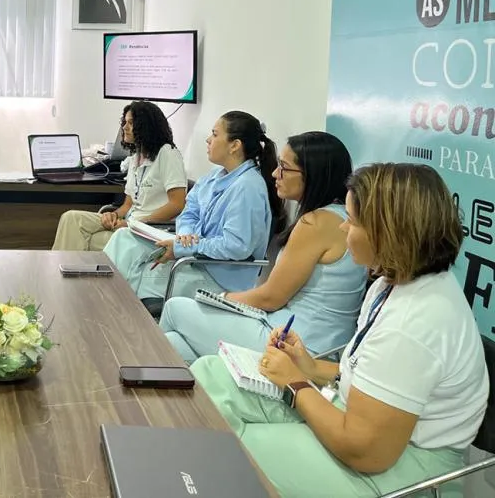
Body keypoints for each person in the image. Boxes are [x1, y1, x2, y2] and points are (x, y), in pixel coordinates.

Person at [192, 163, 488, 497]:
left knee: (235, 453)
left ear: (387, 232)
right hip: (358, 420)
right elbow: (372, 381)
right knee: (209, 374)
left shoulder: (417, 322)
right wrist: (310, 366)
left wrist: (295, 382)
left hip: (407, 469)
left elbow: (366, 451)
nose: (344, 227)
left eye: (354, 220)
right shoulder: (390, 283)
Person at [161, 132, 366, 362]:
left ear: (313, 175)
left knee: (173, 309)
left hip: (296, 346)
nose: (275, 173)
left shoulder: (316, 222)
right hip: (300, 337)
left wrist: (221, 298)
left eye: (284, 167)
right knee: (175, 345)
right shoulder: (336, 216)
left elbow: (270, 298)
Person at [104, 111, 284, 310]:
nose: (208, 140)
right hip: (196, 260)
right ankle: (101, 307)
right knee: (124, 238)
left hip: (219, 277)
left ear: (235, 145)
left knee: (141, 278)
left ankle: (111, 318)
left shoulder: (248, 187)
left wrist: (188, 246)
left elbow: (236, 246)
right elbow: (190, 211)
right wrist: (186, 235)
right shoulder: (215, 175)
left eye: (215, 135)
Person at [52, 101, 187, 251]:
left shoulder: (168, 153)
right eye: (124, 122)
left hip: (149, 230)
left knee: (85, 238)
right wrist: (113, 215)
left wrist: (135, 224)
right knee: (71, 218)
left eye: (131, 123)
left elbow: (177, 204)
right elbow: (128, 205)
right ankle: (66, 271)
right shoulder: (136, 157)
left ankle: (66, 272)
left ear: (146, 127)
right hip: (130, 223)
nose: (124, 127)